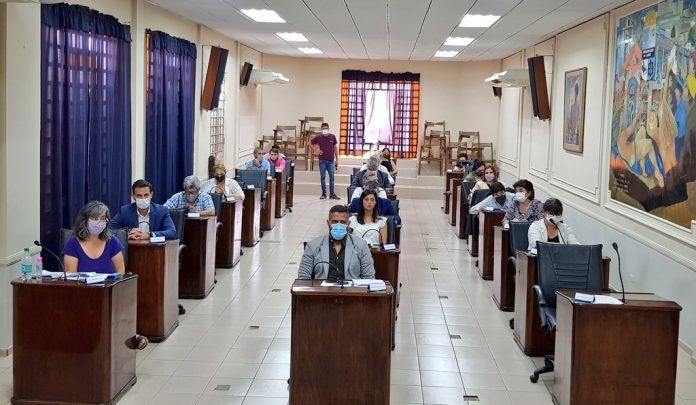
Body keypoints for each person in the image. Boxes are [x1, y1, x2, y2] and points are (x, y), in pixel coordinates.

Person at [298, 205, 375, 280]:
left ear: (348, 224)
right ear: (328, 223)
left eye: (343, 222)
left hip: (351, 288)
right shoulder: (313, 245)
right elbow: (303, 277)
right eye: (335, 222)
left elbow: (369, 277)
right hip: (322, 288)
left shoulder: (361, 245)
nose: (339, 225)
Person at [62, 201, 125, 274]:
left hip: (109, 282)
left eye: (102, 218)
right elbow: (71, 277)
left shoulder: (112, 241)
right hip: (82, 282)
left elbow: (121, 273)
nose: (99, 221)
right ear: (84, 221)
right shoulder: (72, 244)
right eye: (94, 218)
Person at [111, 179, 177, 240]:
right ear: (133, 196)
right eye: (139, 195)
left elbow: (172, 232)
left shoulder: (162, 211)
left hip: (155, 247)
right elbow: (109, 229)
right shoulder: (125, 211)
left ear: (151, 195)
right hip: (132, 247)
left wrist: (149, 235)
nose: (143, 198)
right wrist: (127, 232)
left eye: (146, 195)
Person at [310, 122, 340, 200]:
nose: (325, 130)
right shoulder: (319, 137)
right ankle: (323, 193)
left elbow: (335, 148)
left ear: (328, 129)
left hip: (331, 161)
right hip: (322, 160)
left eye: (326, 128)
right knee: (322, 177)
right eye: (323, 128)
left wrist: (337, 159)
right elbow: (310, 143)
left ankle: (332, 194)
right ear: (321, 129)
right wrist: (316, 150)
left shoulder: (332, 136)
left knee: (332, 178)